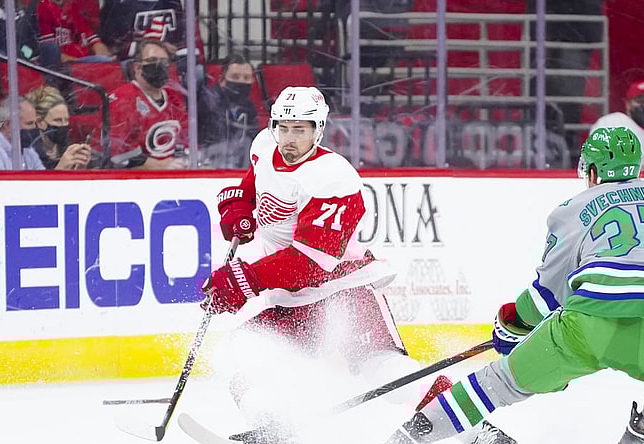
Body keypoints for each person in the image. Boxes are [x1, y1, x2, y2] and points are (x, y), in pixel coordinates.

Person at [200, 86, 516, 444]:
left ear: (318, 130)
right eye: (283, 127)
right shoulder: (263, 145)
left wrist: (245, 279)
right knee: (238, 350)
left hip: (344, 291)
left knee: (383, 370)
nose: (289, 139)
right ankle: (274, 428)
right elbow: (253, 183)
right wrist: (238, 208)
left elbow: (310, 265)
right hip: (291, 299)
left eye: (300, 129)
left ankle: (479, 433)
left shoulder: (335, 178)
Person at [383, 127, 644, 444]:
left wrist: (512, 327)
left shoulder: (573, 209)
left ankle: (412, 435)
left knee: (497, 383)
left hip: (588, 328)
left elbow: (547, 294)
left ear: (592, 171)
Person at [106, 39, 188, 169]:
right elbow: (119, 153)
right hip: (137, 180)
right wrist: (159, 165)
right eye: (152, 60)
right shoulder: (121, 99)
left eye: (164, 62)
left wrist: (183, 162)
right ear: (137, 67)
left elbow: (186, 139)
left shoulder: (174, 98)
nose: (159, 66)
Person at [197, 53, 261, 169]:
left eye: (246, 78)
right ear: (222, 79)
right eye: (235, 77)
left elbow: (253, 142)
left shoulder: (249, 107)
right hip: (209, 168)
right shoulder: (207, 103)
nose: (241, 82)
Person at [25, 85, 97, 169]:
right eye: (57, 120)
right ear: (39, 122)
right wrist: (61, 167)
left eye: (66, 120)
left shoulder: (66, 146)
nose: (63, 125)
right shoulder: (29, 152)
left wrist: (80, 168)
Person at [36, 0, 113, 65]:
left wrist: (96, 44)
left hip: (82, 64)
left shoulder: (72, 5)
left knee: (111, 62)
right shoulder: (42, 7)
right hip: (63, 70)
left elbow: (85, 29)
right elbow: (49, 51)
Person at [0, 96, 45, 170]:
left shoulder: (26, 149)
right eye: (29, 123)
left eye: (35, 123)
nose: (34, 127)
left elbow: (42, 178)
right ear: (8, 125)